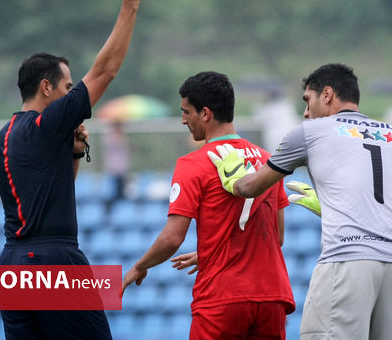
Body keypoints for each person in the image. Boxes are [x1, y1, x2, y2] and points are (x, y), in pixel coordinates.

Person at [0, 0, 149, 339]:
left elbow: (52, 188)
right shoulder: (46, 124)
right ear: (46, 88)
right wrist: (130, 4)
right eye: (66, 86)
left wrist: (75, 153)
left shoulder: (3, 137)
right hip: (53, 262)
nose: (70, 95)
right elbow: (105, 72)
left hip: (12, 264)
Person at [208, 63, 392, 340]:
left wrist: (233, 177)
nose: (306, 112)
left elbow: (251, 187)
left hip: (347, 259)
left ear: (327, 94)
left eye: (308, 100)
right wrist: (333, 208)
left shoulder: (311, 131)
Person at [121, 71, 295, 340]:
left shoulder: (194, 164)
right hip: (272, 296)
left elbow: (172, 237)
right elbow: (277, 236)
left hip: (222, 297)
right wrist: (212, 252)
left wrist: (140, 266)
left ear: (205, 113)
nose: (183, 120)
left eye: (186, 112)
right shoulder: (266, 161)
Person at [103, 121, 130, 199]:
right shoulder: (110, 137)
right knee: (115, 192)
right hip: (114, 168)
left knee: (122, 191)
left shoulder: (122, 137)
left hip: (122, 168)